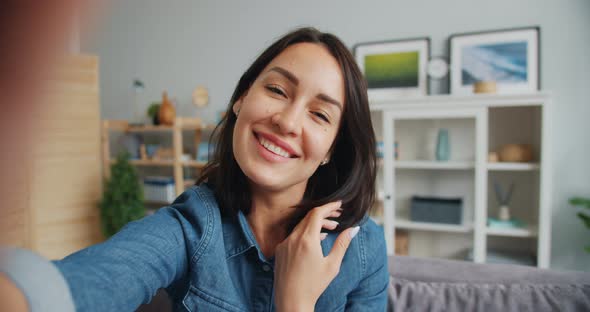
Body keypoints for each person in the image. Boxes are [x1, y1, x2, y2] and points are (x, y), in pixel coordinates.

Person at [3, 27, 388, 311]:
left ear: (331, 151)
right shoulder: (192, 226)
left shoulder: (364, 250)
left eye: (319, 114)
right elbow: (97, 278)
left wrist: (295, 304)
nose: (288, 122)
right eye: (276, 91)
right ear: (241, 99)